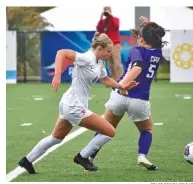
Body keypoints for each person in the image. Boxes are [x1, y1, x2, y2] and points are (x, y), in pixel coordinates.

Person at [18, 33, 138, 174]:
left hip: (68, 104)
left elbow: (105, 79)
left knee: (56, 138)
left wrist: (121, 86)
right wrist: (57, 76)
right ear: (99, 48)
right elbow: (61, 53)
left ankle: (27, 160)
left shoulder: (99, 62)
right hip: (74, 107)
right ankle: (82, 157)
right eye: (108, 51)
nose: (110, 54)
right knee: (110, 131)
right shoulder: (87, 58)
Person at [79, 16, 167, 171]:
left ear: (141, 39)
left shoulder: (136, 50)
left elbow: (137, 68)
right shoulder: (158, 52)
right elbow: (154, 36)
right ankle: (142, 156)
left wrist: (123, 85)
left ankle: (89, 157)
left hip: (119, 95)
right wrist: (147, 25)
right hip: (140, 101)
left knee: (105, 128)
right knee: (146, 130)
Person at [96, 6, 123, 81]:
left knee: (117, 62)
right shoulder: (104, 21)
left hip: (115, 44)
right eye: (105, 11)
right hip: (107, 45)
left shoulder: (115, 19)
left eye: (108, 11)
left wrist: (110, 15)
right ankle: (114, 79)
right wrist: (101, 17)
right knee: (110, 63)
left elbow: (116, 26)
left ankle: (121, 79)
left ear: (111, 11)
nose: (106, 12)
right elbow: (99, 28)